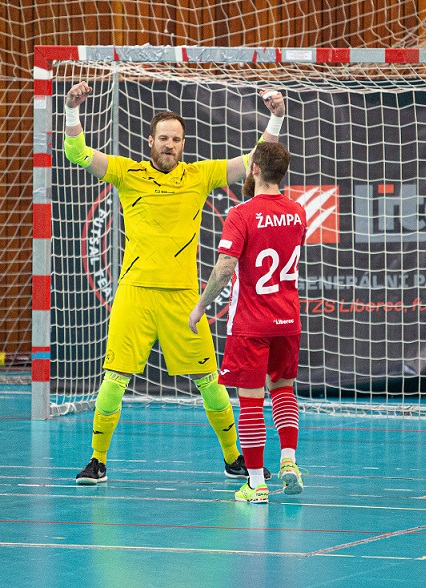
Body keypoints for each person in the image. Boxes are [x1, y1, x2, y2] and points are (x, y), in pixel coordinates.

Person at [63, 81, 286, 485]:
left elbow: (256, 159)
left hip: (185, 299)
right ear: (151, 141)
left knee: (210, 382)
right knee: (114, 378)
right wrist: (72, 109)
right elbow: (76, 153)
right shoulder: (126, 172)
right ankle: (97, 461)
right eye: (164, 138)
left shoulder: (199, 176)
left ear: (184, 144)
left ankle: (234, 458)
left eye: (177, 139)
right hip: (135, 295)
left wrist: (275, 117)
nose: (170, 144)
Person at [188, 141, 306, 503]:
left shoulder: (241, 214)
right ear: (281, 172)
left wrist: (200, 307)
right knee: (283, 389)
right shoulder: (298, 211)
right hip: (288, 319)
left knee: (252, 402)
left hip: (251, 324)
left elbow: (225, 269)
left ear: (253, 168)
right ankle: (289, 461)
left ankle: (256, 484)